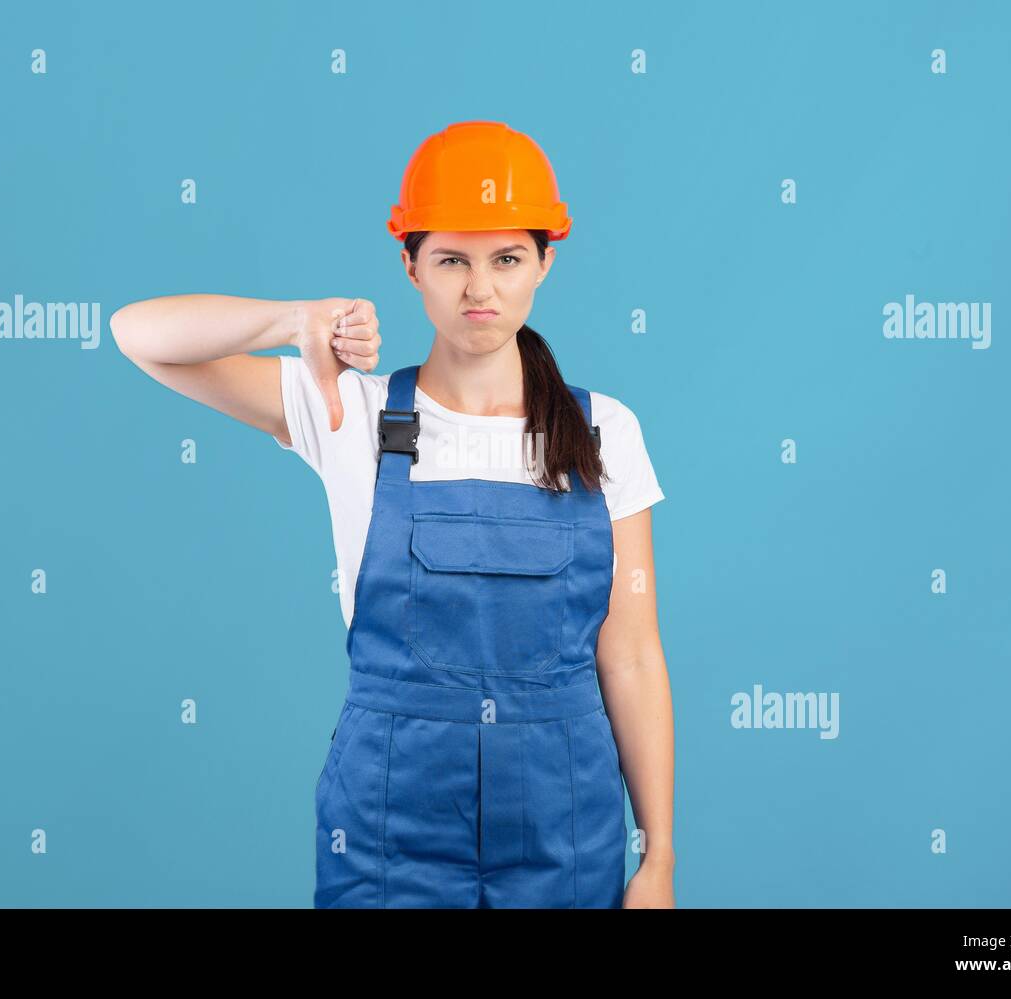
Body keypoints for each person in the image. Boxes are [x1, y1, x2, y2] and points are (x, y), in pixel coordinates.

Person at [109, 120, 675, 908]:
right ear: (409, 264)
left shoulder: (603, 431)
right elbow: (139, 333)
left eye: (507, 258)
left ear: (546, 261)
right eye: (451, 259)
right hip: (388, 831)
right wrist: (293, 321)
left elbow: (634, 655)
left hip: (566, 827)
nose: (480, 289)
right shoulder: (348, 411)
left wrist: (659, 858)